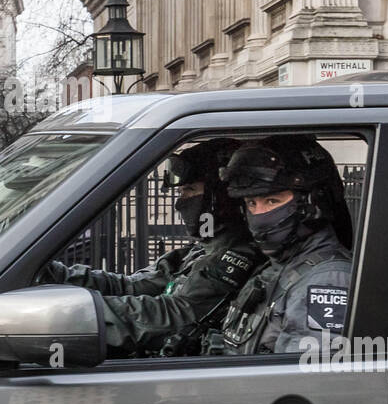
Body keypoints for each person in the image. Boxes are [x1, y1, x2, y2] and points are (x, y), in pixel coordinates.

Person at [43, 139, 263, 357]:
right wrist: (56, 275)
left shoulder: (237, 254)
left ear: (221, 195)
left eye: (189, 190)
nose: (180, 201)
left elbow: (174, 316)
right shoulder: (200, 250)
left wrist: (71, 314)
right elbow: (132, 287)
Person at [205, 136, 355, 356]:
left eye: (272, 201)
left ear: (313, 204)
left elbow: (303, 379)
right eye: (251, 204)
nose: (258, 214)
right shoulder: (279, 264)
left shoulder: (327, 281)